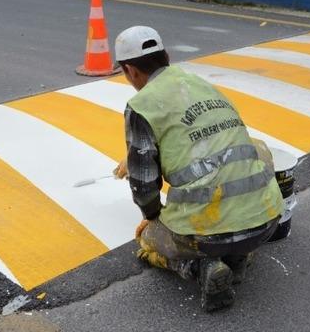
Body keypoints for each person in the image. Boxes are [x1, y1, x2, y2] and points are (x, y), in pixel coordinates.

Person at [113, 25, 285, 313]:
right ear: (166, 56)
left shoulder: (142, 105)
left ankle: (200, 270)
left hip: (205, 238)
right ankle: (238, 256)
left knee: (148, 238)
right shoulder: (202, 84)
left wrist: (154, 219)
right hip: (267, 223)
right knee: (256, 146)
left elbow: (144, 186)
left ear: (130, 70)